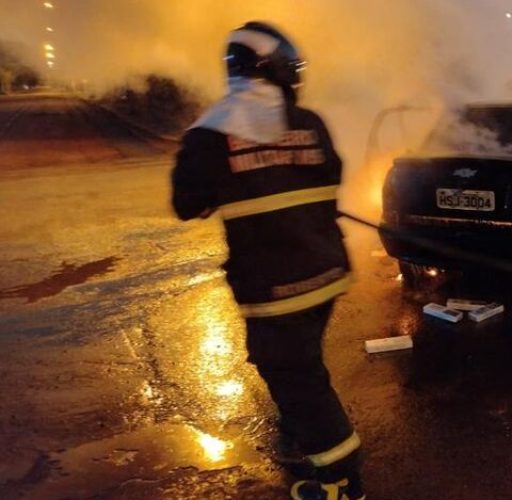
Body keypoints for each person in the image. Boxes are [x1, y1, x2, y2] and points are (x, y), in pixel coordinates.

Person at [171, 21, 364, 500]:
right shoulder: (311, 123)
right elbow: (332, 177)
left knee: (298, 380)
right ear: (276, 68)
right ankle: (303, 432)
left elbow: (187, 204)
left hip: (274, 288)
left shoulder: (209, 133)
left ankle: (343, 484)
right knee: (303, 365)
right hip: (328, 275)